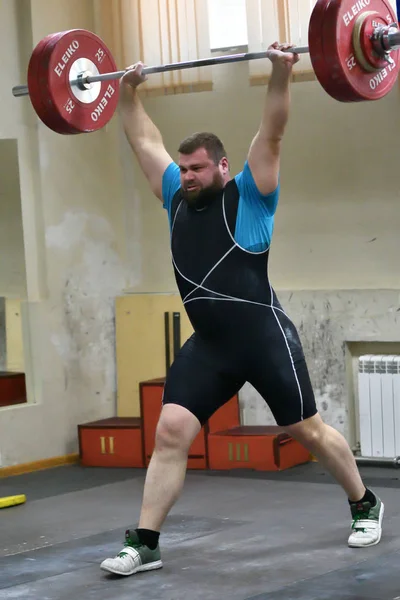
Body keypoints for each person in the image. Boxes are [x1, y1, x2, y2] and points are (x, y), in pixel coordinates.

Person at [100, 43, 384, 577]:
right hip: (210, 346)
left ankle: (365, 503)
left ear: (222, 167)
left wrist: (281, 72)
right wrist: (127, 90)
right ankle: (146, 543)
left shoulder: (252, 196)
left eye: (198, 168)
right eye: (183, 168)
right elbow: (142, 137)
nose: (186, 176)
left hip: (264, 339)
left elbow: (271, 132)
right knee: (170, 433)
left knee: (309, 432)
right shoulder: (175, 198)